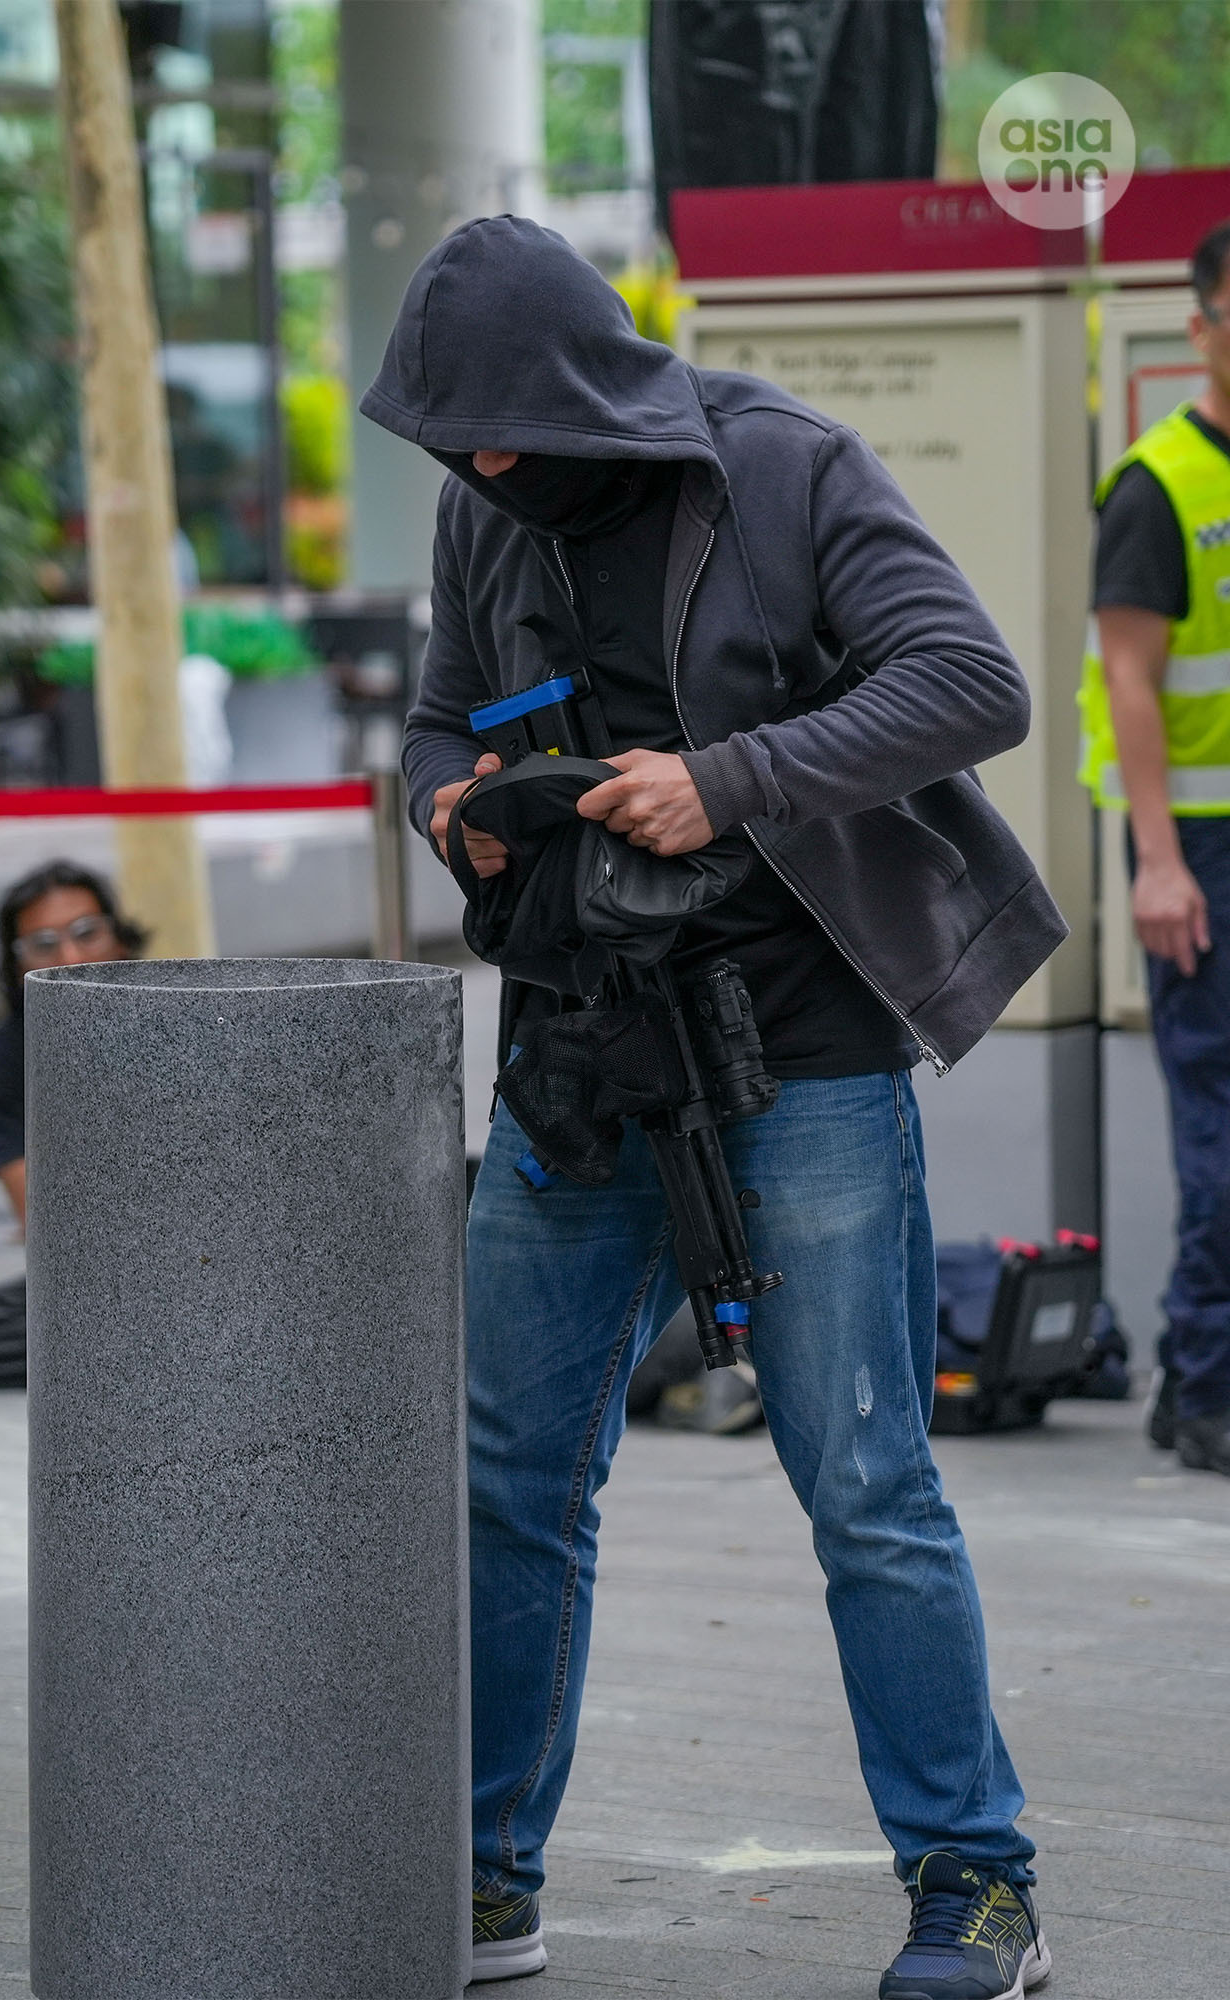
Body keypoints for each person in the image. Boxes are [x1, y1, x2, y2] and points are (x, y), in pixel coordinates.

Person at [370, 218, 1065, 1994]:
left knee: (864, 1478)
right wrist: (448, 799)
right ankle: (480, 1876)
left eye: (510, 435)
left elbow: (973, 684)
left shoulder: (787, 468)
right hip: (576, 1050)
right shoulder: (483, 504)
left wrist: (728, 784)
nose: (486, 470)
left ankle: (977, 1881)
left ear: (585, 386)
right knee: (512, 1471)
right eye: (459, 448)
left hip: (807, 1047)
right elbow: (436, 721)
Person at [1087, 216, 1230, 1478]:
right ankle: (1205, 1383)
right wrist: (1159, 859)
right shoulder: (1160, 483)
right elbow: (1131, 683)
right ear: (1201, 328)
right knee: (1222, 1126)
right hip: (1202, 848)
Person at [0, 863, 140, 1390]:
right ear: (16, 963)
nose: (71, 958)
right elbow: (42, 1221)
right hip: (98, 1283)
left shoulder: (181, 1019)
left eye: (86, 933)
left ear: (118, 933)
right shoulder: (6, 1054)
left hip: (214, 1262)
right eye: (43, 944)